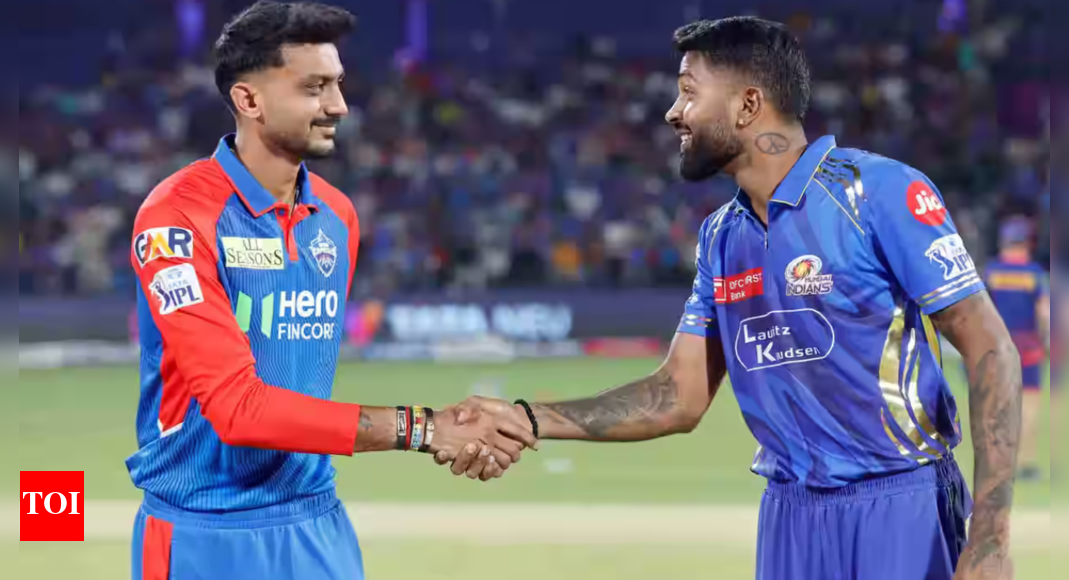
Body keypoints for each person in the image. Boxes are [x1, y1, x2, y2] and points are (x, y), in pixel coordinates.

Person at [441, 17, 1021, 580]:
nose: (673, 112)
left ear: (747, 105)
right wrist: (527, 419)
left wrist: (991, 539)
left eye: (688, 92)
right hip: (789, 519)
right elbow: (679, 395)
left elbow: (991, 348)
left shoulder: (877, 193)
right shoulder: (722, 236)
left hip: (901, 508)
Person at [127, 3, 533, 579]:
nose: (338, 106)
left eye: (338, 84)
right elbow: (238, 411)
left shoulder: (337, 216)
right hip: (206, 533)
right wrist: (423, 427)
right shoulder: (176, 217)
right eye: (314, 88)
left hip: (319, 527)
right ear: (249, 100)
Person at [984, 216, 1050, 481]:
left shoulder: (992, 271)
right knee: (1029, 403)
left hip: (999, 344)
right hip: (1028, 345)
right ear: (1026, 243)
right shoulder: (1034, 273)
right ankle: (1025, 463)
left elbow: (981, 310)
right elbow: (1044, 311)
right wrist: (1047, 340)